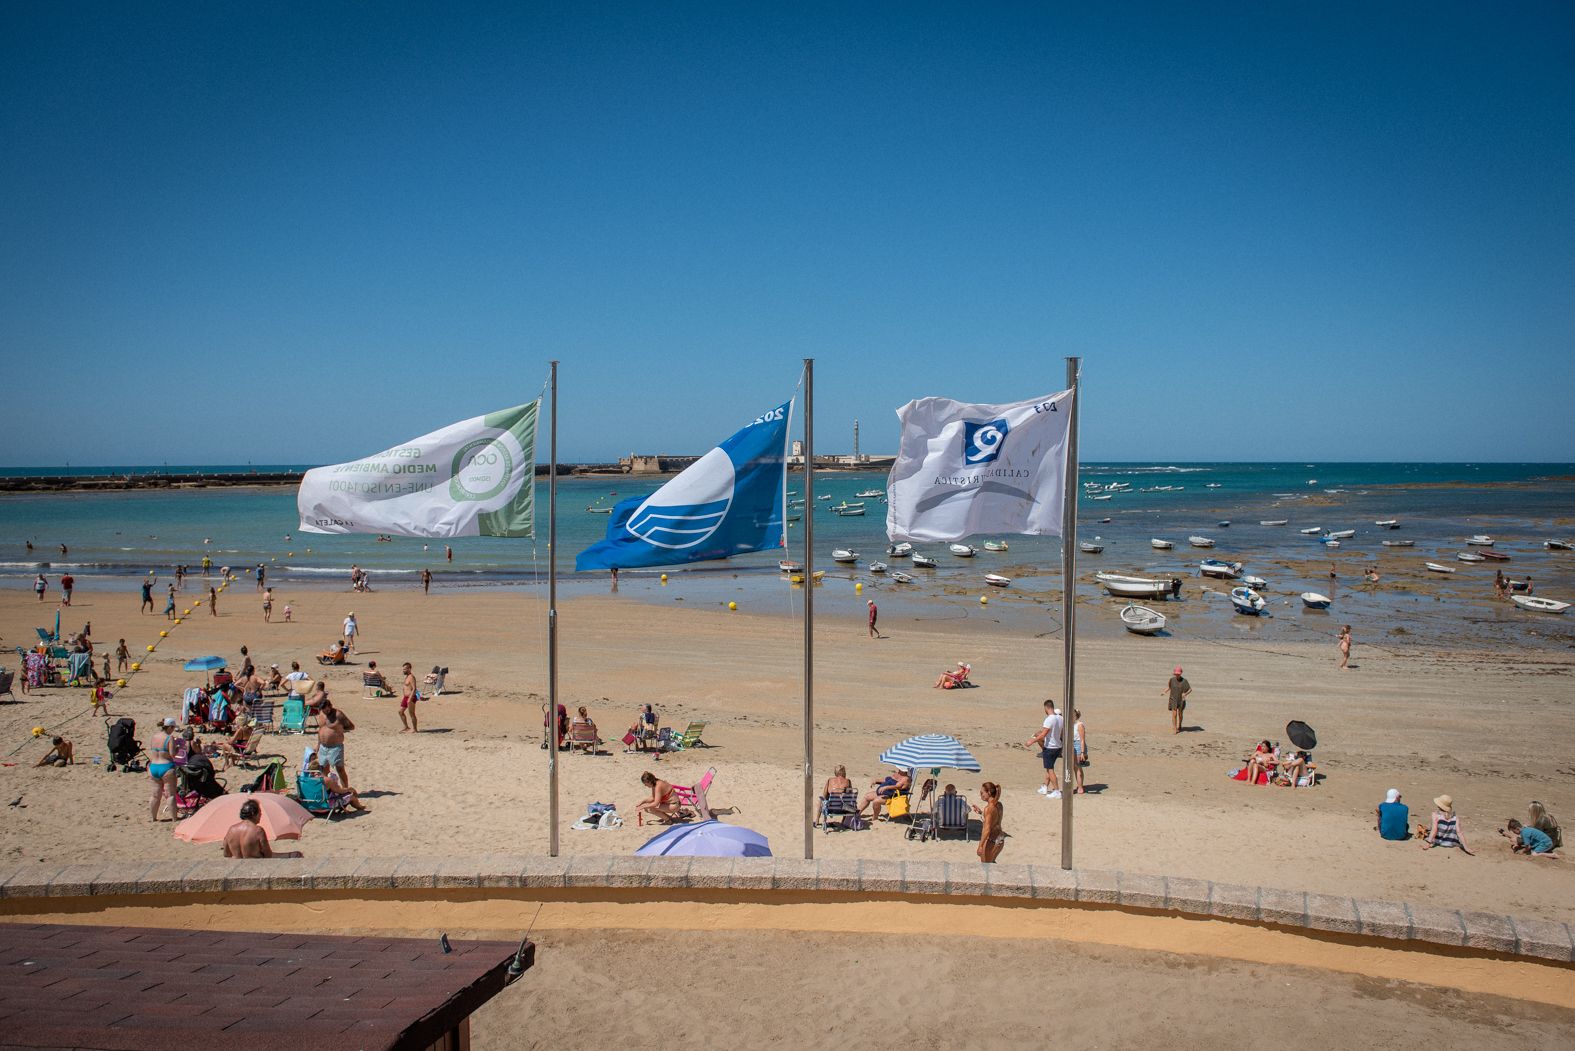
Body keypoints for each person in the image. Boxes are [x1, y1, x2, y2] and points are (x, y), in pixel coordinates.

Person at [222, 799, 302, 858]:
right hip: (256, 868)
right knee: (297, 855)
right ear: (254, 813)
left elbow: (226, 854)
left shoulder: (231, 830)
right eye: (260, 811)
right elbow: (268, 855)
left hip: (238, 868)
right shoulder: (258, 831)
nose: (261, 814)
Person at [313, 694, 355, 791]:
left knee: (340, 769)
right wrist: (318, 745)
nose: (325, 712)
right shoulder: (321, 714)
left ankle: (345, 789)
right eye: (323, 710)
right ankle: (326, 789)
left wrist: (339, 729)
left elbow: (351, 726)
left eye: (327, 709)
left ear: (330, 706)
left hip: (335, 747)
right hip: (323, 747)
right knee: (323, 769)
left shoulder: (338, 714)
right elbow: (320, 729)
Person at [1025, 699, 1063, 798]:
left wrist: (1031, 741)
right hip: (1058, 746)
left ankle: (1057, 791)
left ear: (1046, 708)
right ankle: (1045, 787)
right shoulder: (1060, 718)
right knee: (1049, 768)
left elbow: (1043, 734)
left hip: (1050, 747)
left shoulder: (1049, 719)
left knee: (1050, 769)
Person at [148, 717, 179, 821]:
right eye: (173, 727)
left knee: (155, 796)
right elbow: (172, 754)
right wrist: (178, 748)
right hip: (166, 767)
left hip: (153, 767)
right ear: (169, 727)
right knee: (170, 795)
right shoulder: (169, 738)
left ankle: (153, 818)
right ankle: (174, 818)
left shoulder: (154, 737)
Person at [974, 782, 1005, 863]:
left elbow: (987, 829)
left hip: (992, 841)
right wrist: (981, 813)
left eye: (982, 793)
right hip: (1000, 839)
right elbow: (994, 820)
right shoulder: (999, 804)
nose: (980, 795)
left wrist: (980, 845)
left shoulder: (988, 808)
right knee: (991, 863)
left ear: (989, 793)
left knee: (986, 867)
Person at [1163, 666, 1190, 734]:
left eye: (1178, 673)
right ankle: (1175, 728)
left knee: (1180, 714)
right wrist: (1164, 692)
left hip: (1181, 700)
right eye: (1176, 674)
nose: (1177, 675)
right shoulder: (1171, 680)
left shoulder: (1184, 681)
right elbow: (1169, 687)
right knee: (1174, 714)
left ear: (1181, 673)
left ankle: (1180, 724)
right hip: (1173, 699)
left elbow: (1190, 689)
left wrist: (1185, 694)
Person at [1070, 709, 1087, 794]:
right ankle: (1079, 785)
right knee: (1074, 767)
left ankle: (1080, 787)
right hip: (1071, 745)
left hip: (1078, 745)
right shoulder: (1070, 725)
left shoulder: (1079, 725)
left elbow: (1082, 740)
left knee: (1078, 767)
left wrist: (1083, 752)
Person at [399, 662, 419, 733]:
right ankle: (406, 727)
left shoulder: (411, 677)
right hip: (405, 697)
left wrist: (410, 699)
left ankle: (415, 729)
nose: (403, 670)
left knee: (411, 713)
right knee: (400, 712)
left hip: (411, 697)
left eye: (405, 669)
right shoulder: (407, 677)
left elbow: (414, 688)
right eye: (403, 669)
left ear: (409, 669)